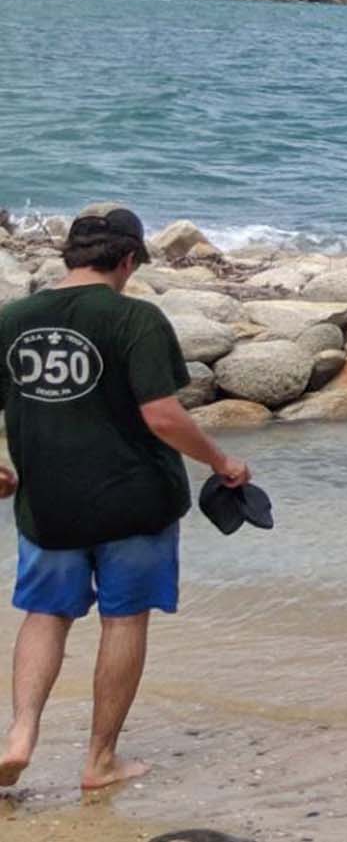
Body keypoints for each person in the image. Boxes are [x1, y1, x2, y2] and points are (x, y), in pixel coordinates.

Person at [1, 208, 253, 791]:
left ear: (71, 255)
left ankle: (20, 734)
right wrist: (222, 462)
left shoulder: (14, 318)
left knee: (46, 614)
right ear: (128, 260)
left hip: (48, 504)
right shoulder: (134, 318)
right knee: (123, 620)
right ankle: (99, 760)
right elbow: (162, 415)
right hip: (135, 501)